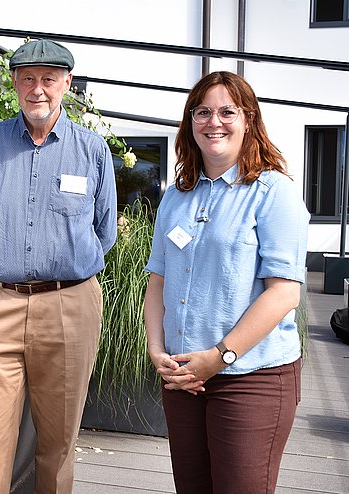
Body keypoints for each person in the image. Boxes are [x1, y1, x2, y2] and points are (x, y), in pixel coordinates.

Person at [0, 39, 118, 494]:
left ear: (67, 84)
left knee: (58, 442)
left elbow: (103, 231)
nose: (38, 89)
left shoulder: (92, 150)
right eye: (28, 78)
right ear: (14, 82)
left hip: (70, 304)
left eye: (49, 79)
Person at [143, 71, 309, 494]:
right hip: (183, 377)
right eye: (202, 112)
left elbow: (284, 291)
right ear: (190, 122)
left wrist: (221, 357)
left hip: (252, 379)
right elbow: (157, 280)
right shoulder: (177, 195)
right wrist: (157, 349)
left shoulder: (273, 192)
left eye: (226, 111)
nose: (213, 121)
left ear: (248, 119)